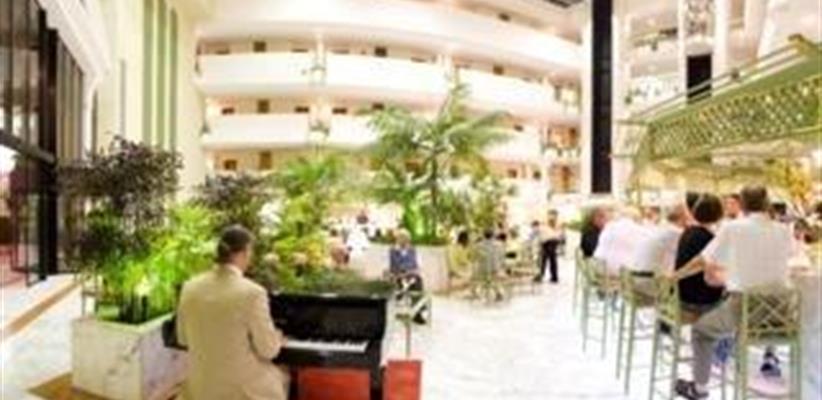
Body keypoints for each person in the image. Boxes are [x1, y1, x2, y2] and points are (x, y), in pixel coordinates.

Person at [674, 186, 794, 400]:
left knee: (701, 331)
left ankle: (700, 388)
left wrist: (675, 276)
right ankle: (765, 356)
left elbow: (702, 261)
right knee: (731, 310)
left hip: (745, 309)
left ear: (742, 204)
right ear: (766, 203)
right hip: (781, 313)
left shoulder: (733, 228)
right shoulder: (784, 230)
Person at [176, 225, 288, 400]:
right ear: (245, 252)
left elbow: (183, 339)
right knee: (282, 375)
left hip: (200, 388)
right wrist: (277, 338)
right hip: (239, 391)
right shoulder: (253, 293)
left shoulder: (189, 287)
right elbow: (269, 351)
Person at [674, 193, 725, 316]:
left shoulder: (687, 232)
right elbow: (711, 272)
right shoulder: (709, 239)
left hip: (681, 296)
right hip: (699, 301)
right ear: (719, 215)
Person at [629, 205, 689, 297]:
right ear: (684, 217)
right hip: (652, 284)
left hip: (633, 281)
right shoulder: (676, 233)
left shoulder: (657, 229)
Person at [594, 207, 651, 275]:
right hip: (623, 273)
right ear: (636, 218)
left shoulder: (609, 227)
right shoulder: (638, 230)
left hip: (601, 270)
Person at [388, 229, 426, 323]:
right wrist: (404, 271)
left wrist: (411, 271)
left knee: (418, 281)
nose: (405, 240)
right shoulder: (393, 250)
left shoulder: (412, 250)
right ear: (398, 239)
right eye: (402, 238)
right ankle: (417, 310)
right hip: (399, 276)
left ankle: (417, 312)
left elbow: (415, 264)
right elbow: (394, 265)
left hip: (410, 276)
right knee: (412, 281)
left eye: (406, 238)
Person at [536, 210, 562, 283]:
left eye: (553, 215)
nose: (552, 217)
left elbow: (557, 235)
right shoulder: (547, 225)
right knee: (549, 260)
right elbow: (542, 234)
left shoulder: (555, 225)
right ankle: (553, 276)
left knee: (545, 260)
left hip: (550, 242)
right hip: (548, 243)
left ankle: (543, 275)